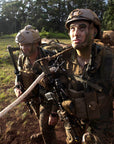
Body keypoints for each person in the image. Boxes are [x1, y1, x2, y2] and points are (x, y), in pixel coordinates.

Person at [55, 8, 113, 144]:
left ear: (94, 31)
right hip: (74, 122)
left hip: (102, 126)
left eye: (82, 28)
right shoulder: (64, 59)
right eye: (72, 29)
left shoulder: (108, 60)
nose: (76, 34)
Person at [14, 25, 58, 144]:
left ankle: (49, 139)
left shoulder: (50, 58)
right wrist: (17, 87)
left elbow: (58, 86)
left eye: (27, 45)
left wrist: (54, 112)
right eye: (21, 45)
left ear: (37, 43)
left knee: (46, 125)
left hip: (48, 100)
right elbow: (18, 75)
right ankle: (45, 133)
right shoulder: (22, 58)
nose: (23, 48)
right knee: (41, 120)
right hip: (33, 99)